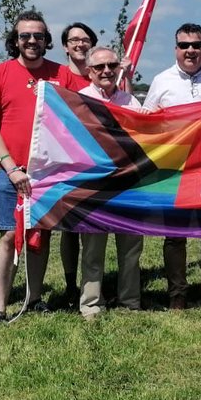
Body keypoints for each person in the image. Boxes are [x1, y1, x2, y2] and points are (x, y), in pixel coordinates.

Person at [0, 11, 83, 329]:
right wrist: (10, 168)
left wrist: (125, 80)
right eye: (25, 36)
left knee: (42, 235)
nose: (32, 41)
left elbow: (93, 99)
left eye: (38, 35)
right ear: (16, 40)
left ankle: (34, 298)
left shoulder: (62, 74)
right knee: (10, 234)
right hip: (14, 171)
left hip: (49, 173)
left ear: (47, 40)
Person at [143, 23, 201, 309]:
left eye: (196, 45)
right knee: (175, 237)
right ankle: (177, 294)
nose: (190, 50)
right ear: (176, 48)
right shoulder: (161, 81)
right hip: (174, 170)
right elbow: (147, 122)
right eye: (184, 45)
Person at [75, 46, 146, 319]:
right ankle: (91, 303)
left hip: (129, 185)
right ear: (89, 71)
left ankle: (130, 301)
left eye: (112, 65)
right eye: (99, 67)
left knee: (131, 248)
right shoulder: (78, 101)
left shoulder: (131, 102)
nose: (106, 71)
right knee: (93, 249)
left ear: (119, 68)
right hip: (94, 185)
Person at [58, 22, 98, 308]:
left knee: (93, 228)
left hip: (99, 160)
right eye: (74, 40)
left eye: (85, 39)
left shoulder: (103, 74)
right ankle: (71, 284)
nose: (79, 44)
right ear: (65, 46)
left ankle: (92, 284)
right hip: (67, 161)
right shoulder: (57, 77)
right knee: (70, 229)